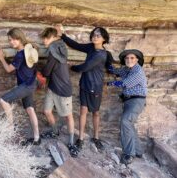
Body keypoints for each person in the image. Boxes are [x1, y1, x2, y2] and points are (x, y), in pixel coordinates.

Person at [55, 24, 112, 152]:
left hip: (95, 86)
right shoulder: (91, 47)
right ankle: (80, 139)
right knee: (83, 111)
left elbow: (85, 67)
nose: (95, 37)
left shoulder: (102, 54)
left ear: (104, 39)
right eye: (94, 34)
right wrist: (62, 36)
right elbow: (76, 45)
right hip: (85, 84)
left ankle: (96, 137)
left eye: (98, 35)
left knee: (96, 112)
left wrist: (72, 67)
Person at [0, 28, 41, 146]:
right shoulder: (29, 51)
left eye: (13, 40)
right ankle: (37, 138)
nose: (11, 42)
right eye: (10, 40)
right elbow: (19, 66)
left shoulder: (20, 55)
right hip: (32, 83)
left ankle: (10, 129)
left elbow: (8, 69)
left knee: (3, 100)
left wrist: (1, 58)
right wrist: (7, 59)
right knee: (30, 109)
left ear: (20, 39)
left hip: (26, 85)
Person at [38, 28, 77, 157]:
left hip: (63, 89)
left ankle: (71, 142)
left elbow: (46, 72)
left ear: (54, 37)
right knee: (47, 111)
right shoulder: (58, 48)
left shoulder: (55, 51)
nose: (44, 40)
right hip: (53, 87)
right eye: (43, 38)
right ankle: (55, 131)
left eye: (46, 38)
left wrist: (36, 67)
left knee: (68, 116)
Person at [107, 49, 147, 165]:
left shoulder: (137, 71)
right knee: (129, 124)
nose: (129, 60)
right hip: (128, 101)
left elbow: (123, 83)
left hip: (136, 100)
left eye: (132, 58)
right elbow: (114, 71)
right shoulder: (126, 69)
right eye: (127, 58)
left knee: (125, 121)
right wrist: (107, 60)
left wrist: (107, 84)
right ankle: (138, 151)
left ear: (137, 60)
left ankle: (129, 154)